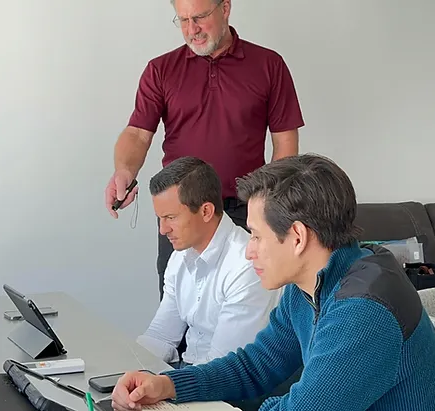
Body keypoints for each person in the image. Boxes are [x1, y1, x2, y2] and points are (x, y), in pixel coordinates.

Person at [111, 154, 435, 411]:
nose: (249, 252)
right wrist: (170, 385)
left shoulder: (363, 312)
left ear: (296, 237)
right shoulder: (308, 284)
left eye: (257, 236)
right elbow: (256, 365)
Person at [104, 0, 305, 298]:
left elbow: (285, 145)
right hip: (180, 210)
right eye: (183, 20)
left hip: (245, 210)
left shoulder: (269, 65)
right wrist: (124, 171)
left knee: (249, 307)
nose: (191, 30)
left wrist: (270, 209)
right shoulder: (160, 70)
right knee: (177, 310)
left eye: (199, 17)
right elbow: (137, 133)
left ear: (225, 8)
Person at [135, 156, 282, 368]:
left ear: (206, 211)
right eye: (160, 218)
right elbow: (161, 337)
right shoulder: (180, 257)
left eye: (171, 217)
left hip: (228, 385)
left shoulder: (246, 264)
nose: (163, 229)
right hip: (192, 370)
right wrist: (127, 368)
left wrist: (163, 387)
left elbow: (222, 368)